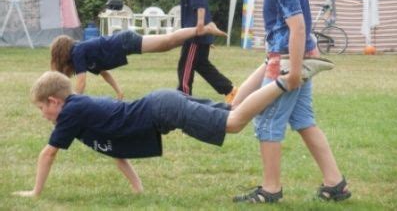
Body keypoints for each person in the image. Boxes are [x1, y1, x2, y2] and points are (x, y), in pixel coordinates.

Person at [13, 59, 332, 198]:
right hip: (162, 104)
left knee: (233, 123)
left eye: (42, 108)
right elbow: (116, 151)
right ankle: (270, 62)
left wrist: (36, 191)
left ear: (55, 101)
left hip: (163, 108)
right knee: (234, 110)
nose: (43, 114)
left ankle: (288, 78)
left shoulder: (72, 112)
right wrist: (138, 190)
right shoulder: (82, 115)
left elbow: (48, 154)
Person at [228, 0, 351, 203]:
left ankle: (270, 190)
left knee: (268, 123)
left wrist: (293, 73)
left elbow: (297, 27)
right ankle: (335, 184)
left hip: (288, 62)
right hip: (296, 58)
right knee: (304, 121)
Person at [50, 23, 226, 99]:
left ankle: (202, 29)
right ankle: (197, 34)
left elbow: (80, 83)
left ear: (62, 54)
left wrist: (71, 102)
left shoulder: (78, 51)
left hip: (124, 42)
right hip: (126, 45)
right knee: (167, 44)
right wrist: (119, 92)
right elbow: (104, 73)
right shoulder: (83, 54)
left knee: (168, 41)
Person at [169, 0, 237, 103]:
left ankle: (183, 97)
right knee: (201, 65)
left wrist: (200, 27)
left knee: (185, 65)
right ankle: (230, 90)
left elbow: (200, 4)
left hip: (195, 32)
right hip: (191, 30)